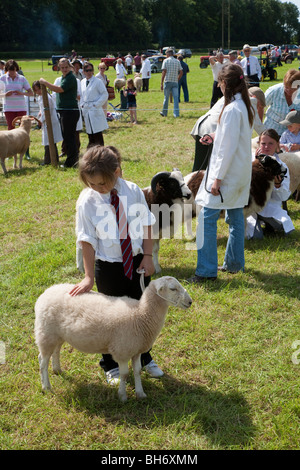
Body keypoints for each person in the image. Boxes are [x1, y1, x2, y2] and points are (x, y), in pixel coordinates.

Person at [69, 145, 164, 383]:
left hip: (137, 261)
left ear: (117, 172)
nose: (98, 188)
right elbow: (87, 240)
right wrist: (89, 277)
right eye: (92, 184)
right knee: (111, 318)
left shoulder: (132, 191)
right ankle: (110, 364)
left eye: (102, 183)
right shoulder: (87, 201)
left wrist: (149, 256)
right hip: (108, 265)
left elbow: (147, 225)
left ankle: (144, 357)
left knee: (140, 313)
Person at [187, 63, 254, 283]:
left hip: (227, 174)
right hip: (239, 172)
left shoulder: (233, 108)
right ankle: (234, 264)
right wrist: (214, 136)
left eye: (220, 81)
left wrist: (217, 179)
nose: (218, 84)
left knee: (206, 219)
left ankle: (206, 271)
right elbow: (230, 137)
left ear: (227, 84)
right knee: (235, 217)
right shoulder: (242, 104)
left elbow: (227, 149)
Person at [190, 86, 266, 171]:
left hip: (202, 126)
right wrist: (273, 140)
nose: (257, 109)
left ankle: (192, 182)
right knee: (212, 168)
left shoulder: (233, 96)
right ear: (254, 97)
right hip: (214, 130)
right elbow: (259, 127)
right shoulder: (249, 101)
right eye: (258, 106)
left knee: (199, 167)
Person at [246, 129, 294, 239]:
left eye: (271, 143)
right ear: (258, 144)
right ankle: (253, 225)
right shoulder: (248, 160)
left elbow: (284, 196)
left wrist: (277, 185)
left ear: (277, 145)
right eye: (263, 143)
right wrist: (256, 163)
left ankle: (268, 224)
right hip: (249, 207)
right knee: (256, 237)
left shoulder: (281, 167)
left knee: (284, 226)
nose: (266, 147)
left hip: (269, 207)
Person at [40, 58, 80, 168]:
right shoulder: (64, 77)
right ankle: (72, 159)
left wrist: (45, 83)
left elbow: (59, 89)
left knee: (69, 137)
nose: (64, 69)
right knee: (67, 136)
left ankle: (72, 161)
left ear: (70, 67)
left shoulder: (70, 78)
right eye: (62, 68)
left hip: (70, 111)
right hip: (64, 111)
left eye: (66, 67)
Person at [32, 80, 62, 165]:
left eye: (39, 89)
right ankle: (51, 159)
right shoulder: (40, 97)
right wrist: (40, 113)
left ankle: (49, 160)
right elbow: (43, 109)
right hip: (46, 121)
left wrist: (40, 121)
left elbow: (47, 111)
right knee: (48, 141)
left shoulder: (47, 97)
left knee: (50, 140)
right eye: (36, 90)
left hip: (50, 120)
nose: (37, 92)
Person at [263, 69, 300, 136]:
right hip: (272, 131)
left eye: (292, 89)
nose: (289, 91)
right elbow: (260, 105)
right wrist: (260, 128)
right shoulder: (274, 91)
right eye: (286, 87)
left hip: (293, 135)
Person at [80, 62, 109, 148]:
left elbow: (105, 94)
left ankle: (101, 153)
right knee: (90, 134)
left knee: (97, 134)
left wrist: (96, 105)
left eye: (90, 70)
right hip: (86, 110)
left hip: (95, 110)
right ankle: (91, 153)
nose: (89, 72)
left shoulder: (98, 81)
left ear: (93, 71)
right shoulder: (82, 82)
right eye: (87, 70)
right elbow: (81, 95)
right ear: (83, 72)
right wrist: (82, 105)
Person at [0, 59, 33, 129]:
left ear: (16, 69)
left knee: (23, 128)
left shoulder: (22, 78)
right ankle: (11, 140)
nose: (12, 72)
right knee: (11, 128)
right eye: (10, 70)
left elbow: (31, 93)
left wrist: (22, 93)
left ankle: (22, 140)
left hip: (21, 108)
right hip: (8, 108)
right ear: (7, 69)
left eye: (14, 70)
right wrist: (5, 94)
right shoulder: (2, 78)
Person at [160, 48, 183, 117]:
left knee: (166, 98)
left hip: (167, 81)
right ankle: (176, 114)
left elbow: (164, 72)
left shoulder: (165, 61)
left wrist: (161, 82)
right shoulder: (177, 61)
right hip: (175, 82)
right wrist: (178, 79)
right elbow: (181, 72)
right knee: (176, 98)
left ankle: (164, 113)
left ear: (168, 54)